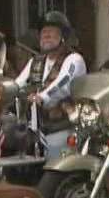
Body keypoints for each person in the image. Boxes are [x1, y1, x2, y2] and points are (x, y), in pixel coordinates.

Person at [12, 11, 85, 155]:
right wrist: (3, 92)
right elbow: (18, 84)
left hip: (62, 126)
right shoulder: (36, 61)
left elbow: (63, 83)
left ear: (63, 37)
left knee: (54, 153)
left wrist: (43, 97)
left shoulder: (74, 59)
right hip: (35, 126)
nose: (45, 35)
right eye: (43, 32)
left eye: (51, 32)